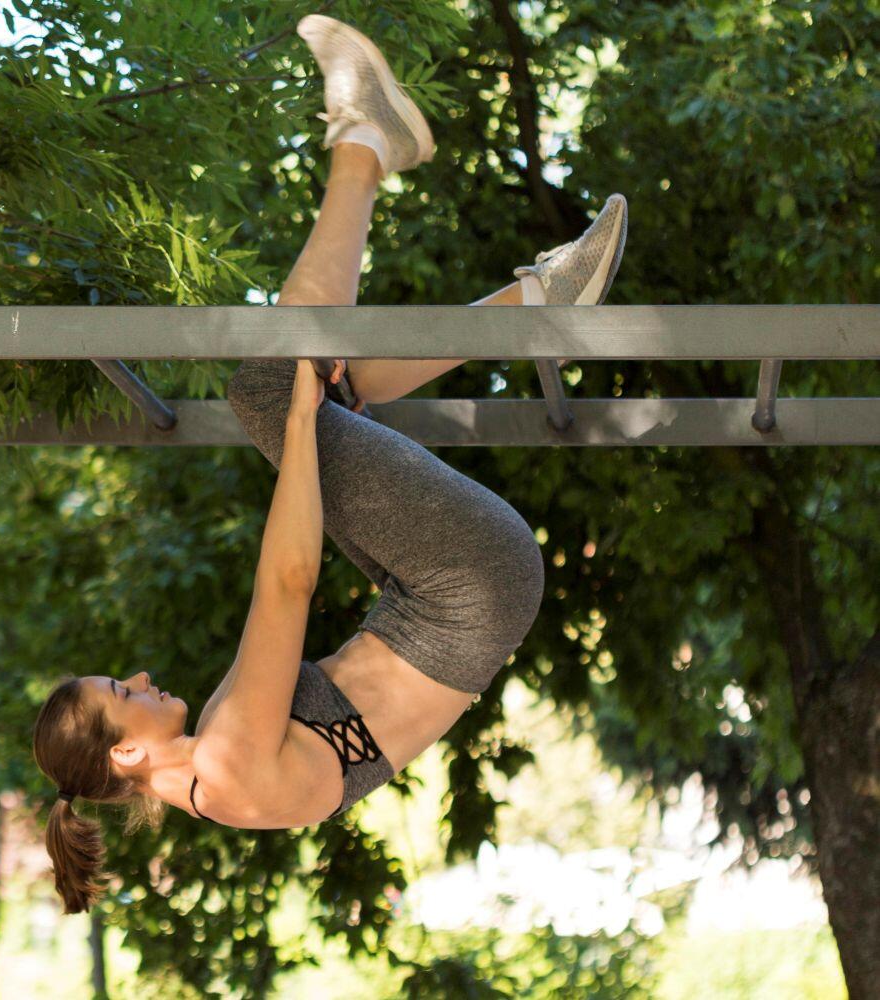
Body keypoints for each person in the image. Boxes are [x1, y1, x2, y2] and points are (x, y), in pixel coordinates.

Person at [32, 13, 629, 914]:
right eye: (124, 691)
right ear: (125, 751)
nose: (143, 677)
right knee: (273, 392)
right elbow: (289, 579)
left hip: (447, 597)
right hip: (465, 586)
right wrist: (301, 427)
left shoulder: (216, 783)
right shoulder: (229, 764)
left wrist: (320, 416)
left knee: (319, 386)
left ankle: (537, 300)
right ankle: (363, 141)